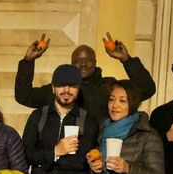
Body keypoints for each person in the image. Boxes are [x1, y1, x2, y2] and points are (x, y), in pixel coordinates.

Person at [22, 64, 99, 174]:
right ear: (53, 87)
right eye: (61, 85)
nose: (66, 90)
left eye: (72, 86)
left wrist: (46, 159)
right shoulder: (38, 116)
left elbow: (82, 161)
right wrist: (55, 151)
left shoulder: (88, 120)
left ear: (79, 88)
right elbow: (27, 154)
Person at [15, 32, 156, 122]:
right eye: (77, 60)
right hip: (67, 157)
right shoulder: (61, 89)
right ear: (71, 64)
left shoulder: (109, 87)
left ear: (95, 62)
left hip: (101, 156)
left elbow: (147, 89)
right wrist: (28, 61)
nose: (82, 64)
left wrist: (127, 60)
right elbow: (23, 96)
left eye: (88, 60)